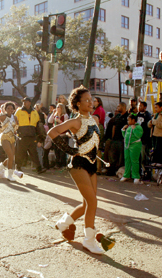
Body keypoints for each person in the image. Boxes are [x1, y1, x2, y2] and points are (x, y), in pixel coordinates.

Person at [48, 86, 105, 254]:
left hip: (92, 164)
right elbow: (52, 132)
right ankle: (89, 240)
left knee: (88, 202)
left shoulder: (94, 119)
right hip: (78, 163)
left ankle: (63, 223)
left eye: (91, 99)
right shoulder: (75, 121)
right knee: (93, 201)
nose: (91, 102)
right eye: (86, 100)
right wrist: (71, 151)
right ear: (78, 104)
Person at [0, 102, 23, 181]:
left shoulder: (14, 117)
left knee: (11, 157)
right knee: (11, 156)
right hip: (4, 137)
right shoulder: (2, 116)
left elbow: (16, 128)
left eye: (11, 108)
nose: (10, 110)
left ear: (14, 109)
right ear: (5, 109)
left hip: (12, 138)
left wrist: (16, 126)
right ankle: (10, 175)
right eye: (8, 108)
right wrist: (0, 129)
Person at [15, 97, 46, 174]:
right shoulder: (19, 111)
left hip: (32, 135)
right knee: (20, 152)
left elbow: (38, 125)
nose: (24, 103)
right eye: (24, 102)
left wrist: (39, 137)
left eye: (26, 102)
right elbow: (15, 121)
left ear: (29, 102)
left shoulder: (35, 112)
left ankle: (39, 169)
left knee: (34, 153)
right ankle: (18, 168)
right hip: (22, 135)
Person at [120, 113, 143, 184]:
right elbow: (126, 136)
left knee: (134, 161)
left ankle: (136, 176)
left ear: (133, 120)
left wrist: (135, 129)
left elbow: (138, 135)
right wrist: (123, 130)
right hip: (127, 146)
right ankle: (126, 175)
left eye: (129, 120)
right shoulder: (129, 127)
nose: (127, 122)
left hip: (135, 145)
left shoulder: (138, 127)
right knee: (127, 160)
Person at [148, 102, 162, 166]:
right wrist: (150, 122)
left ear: (161, 107)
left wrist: (154, 122)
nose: (155, 109)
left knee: (158, 148)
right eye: (155, 108)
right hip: (154, 133)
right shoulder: (155, 115)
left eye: (156, 107)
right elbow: (150, 124)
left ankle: (159, 161)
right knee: (154, 148)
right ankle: (154, 161)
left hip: (160, 134)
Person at [48, 103, 69, 168]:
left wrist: (59, 121)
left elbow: (66, 125)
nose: (56, 108)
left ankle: (63, 164)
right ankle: (57, 164)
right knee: (56, 150)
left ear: (62, 108)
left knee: (62, 151)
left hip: (63, 135)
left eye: (58, 107)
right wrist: (52, 114)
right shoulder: (55, 115)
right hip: (56, 135)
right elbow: (49, 121)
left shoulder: (65, 115)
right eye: (56, 107)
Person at [137, 101, 152, 174]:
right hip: (136, 139)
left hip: (144, 140)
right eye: (139, 106)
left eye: (141, 106)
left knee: (143, 157)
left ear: (145, 107)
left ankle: (146, 171)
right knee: (137, 157)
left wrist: (145, 139)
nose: (139, 107)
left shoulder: (148, 116)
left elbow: (148, 129)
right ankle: (138, 171)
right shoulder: (136, 115)